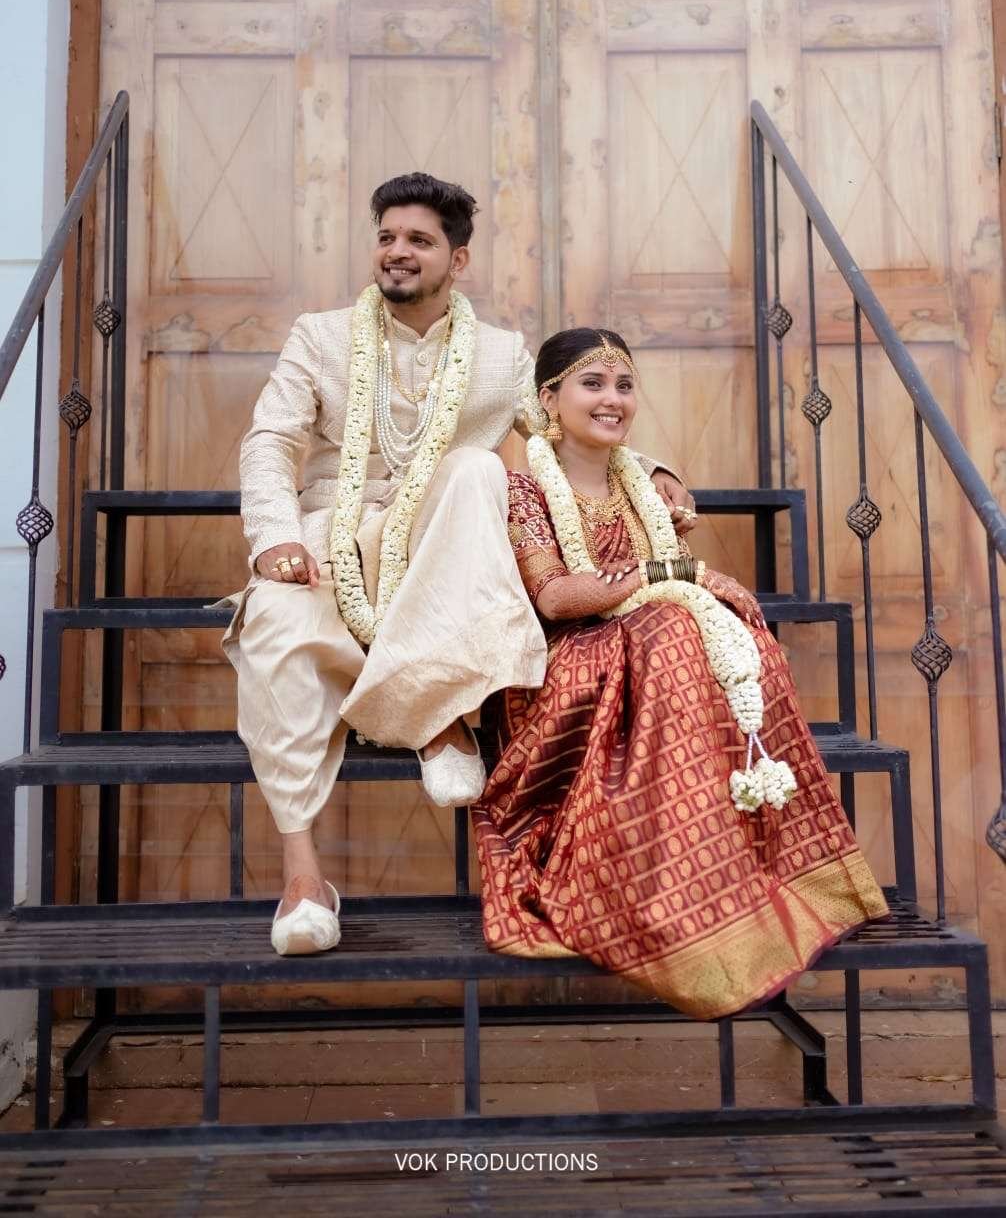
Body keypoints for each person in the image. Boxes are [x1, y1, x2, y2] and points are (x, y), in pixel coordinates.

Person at [222, 176, 695, 956]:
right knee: (275, 621)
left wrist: (652, 472)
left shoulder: (501, 354)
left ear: (457, 258)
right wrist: (276, 538)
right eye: (387, 237)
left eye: (419, 240)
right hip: (331, 535)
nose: (397, 251)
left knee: (478, 470)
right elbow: (272, 440)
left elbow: (558, 430)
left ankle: (439, 713)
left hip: (441, 542)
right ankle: (304, 878)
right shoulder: (321, 337)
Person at [472, 327, 888, 1020]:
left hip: (646, 645)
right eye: (592, 383)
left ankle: (737, 868)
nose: (612, 399)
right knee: (673, 626)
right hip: (563, 665)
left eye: (624, 385)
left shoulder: (643, 484)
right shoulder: (523, 489)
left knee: (732, 630)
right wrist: (671, 571)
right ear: (549, 398)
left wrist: (690, 586)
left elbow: (666, 593)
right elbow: (556, 597)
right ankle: (664, 895)